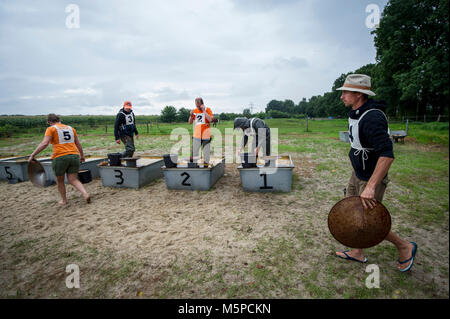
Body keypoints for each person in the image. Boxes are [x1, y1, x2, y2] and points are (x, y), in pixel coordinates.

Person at [335, 74, 417, 272]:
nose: (342, 96)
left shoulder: (372, 117)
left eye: (346, 92)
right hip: (357, 174)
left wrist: (371, 186)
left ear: (359, 95)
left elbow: (387, 155)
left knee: (370, 222)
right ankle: (357, 252)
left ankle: (405, 247)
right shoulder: (356, 113)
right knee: (353, 214)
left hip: (370, 178)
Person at [28, 114, 90, 205]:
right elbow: (78, 144)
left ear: (49, 122)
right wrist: (82, 156)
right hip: (74, 155)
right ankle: (85, 194)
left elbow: (44, 144)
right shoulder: (70, 128)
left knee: (60, 180)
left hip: (60, 157)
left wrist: (33, 154)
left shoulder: (51, 129)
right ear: (59, 120)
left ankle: (64, 200)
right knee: (73, 179)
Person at [188, 97, 213, 164]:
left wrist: (204, 111)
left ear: (202, 104)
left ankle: (206, 165)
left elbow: (210, 120)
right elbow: (190, 122)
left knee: (206, 152)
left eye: (199, 106)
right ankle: (193, 164)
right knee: (194, 152)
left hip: (206, 135)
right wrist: (190, 115)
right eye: (196, 105)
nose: (198, 107)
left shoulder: (208, 109)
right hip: (197, 135)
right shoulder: (195, 111)